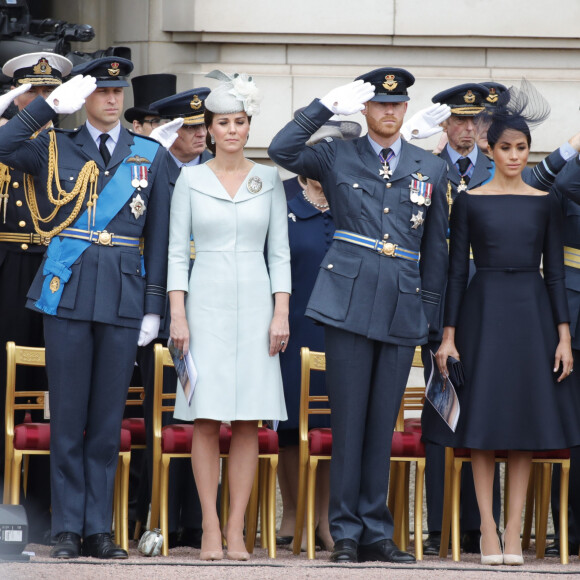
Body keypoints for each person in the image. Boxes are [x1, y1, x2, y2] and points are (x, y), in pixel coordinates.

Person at [269, 67, 449, 564]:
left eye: (396, 105)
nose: (388, 112)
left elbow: (436, 252)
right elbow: (282, 150)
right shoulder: (336, 153)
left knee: (383, 424)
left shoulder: (428, 167)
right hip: (346, 300)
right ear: (366, 110)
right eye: (379, 104)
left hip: (400, 301)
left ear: (405, 110)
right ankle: (344, 530)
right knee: (347, 420)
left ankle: (376, 529)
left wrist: (430, 319)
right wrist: (323, 107)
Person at [0, 56, 170, 559]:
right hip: (68, 291)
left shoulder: (149, 155)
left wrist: (154, 306)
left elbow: (159, 238)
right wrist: (49, 107)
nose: (112, 100)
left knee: (106, 421)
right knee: (68, 416)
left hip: (122, 296)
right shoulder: (55, 144)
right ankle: (67, 528)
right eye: (101, 92)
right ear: (84, 97)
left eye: (118, 92)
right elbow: (3, 146)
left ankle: (100, 527)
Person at [423, 81, 580, 566]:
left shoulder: (545, 201)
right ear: (490, 148)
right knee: (484, 425)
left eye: (523, 149)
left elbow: (554, 272)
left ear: (531, 151)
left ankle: (514, 535)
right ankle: (488, 533)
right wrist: (448, 337)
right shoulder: (468, 200)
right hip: (482, 311)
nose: (515, 156)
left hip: (532, 313)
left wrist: (564, 337)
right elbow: (453, 270)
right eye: (507, 148)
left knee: (524, 427)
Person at [167, 70, 290, 561]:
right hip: (205, 303)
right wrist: (178, 314)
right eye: (223, 122)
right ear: (210, 129)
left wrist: (281, 313)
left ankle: (237, 529)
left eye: (240, 121)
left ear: (248, 126)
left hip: (258, 304)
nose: (232, 130)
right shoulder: (190, 178)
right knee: (205, 417)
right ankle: (210, 528)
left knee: (247, 421)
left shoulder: (269, 178)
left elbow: (278, 252)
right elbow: (177, 252)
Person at [276, 114, 361, 553]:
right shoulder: (282, 195)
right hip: (291, 325)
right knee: (291, 424)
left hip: (343, 326)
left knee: (333, 424)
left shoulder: (354, 198)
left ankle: (327, 517)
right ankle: (292, 511)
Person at [136, 86, 214, 549]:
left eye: (203, 125)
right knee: (162, 418)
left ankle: (199, 519)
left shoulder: (215, 172)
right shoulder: (152, 173)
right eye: (189, 127)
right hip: (164, 312)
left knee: (205, 415)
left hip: (212, 308)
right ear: (169, 132)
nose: (201, 134)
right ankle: (155, 514)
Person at [0, 51, 73, 543]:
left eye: (51, 94)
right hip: (6, 272)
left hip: (53, 270)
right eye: (34, 93)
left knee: (53, 396)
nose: (43, 102)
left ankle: (44, 513)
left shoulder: (68, 147)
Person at [545, 158, 580, 558]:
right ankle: (569, 531)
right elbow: (564, 185)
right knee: (572, 434)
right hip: (570, 315)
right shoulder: (570, 175)